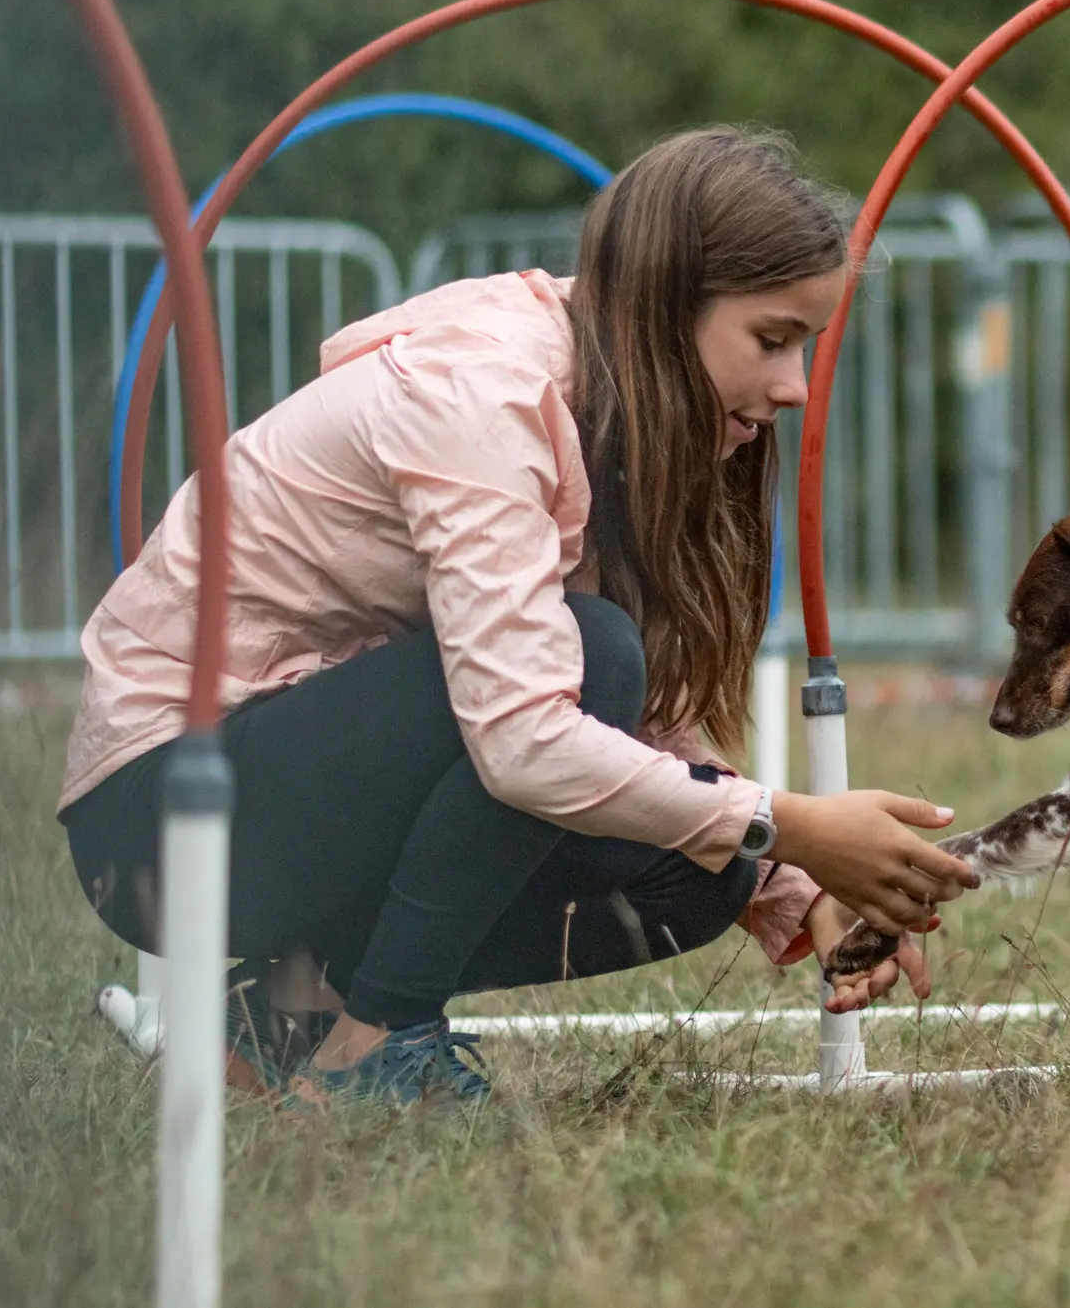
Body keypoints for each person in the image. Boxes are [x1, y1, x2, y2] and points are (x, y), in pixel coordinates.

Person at [58, 126, 978, 1108]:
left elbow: (587, 717)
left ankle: (277, 1021)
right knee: (599, 669)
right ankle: (373, 1054)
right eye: (772, 339)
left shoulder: (596, 399)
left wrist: (782, 875)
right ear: (670, 306)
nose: (794, 388)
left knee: (703, 871)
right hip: (159, 820)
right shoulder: (486, 397)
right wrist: (789, 824)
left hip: (274, 786)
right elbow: (530, 735)